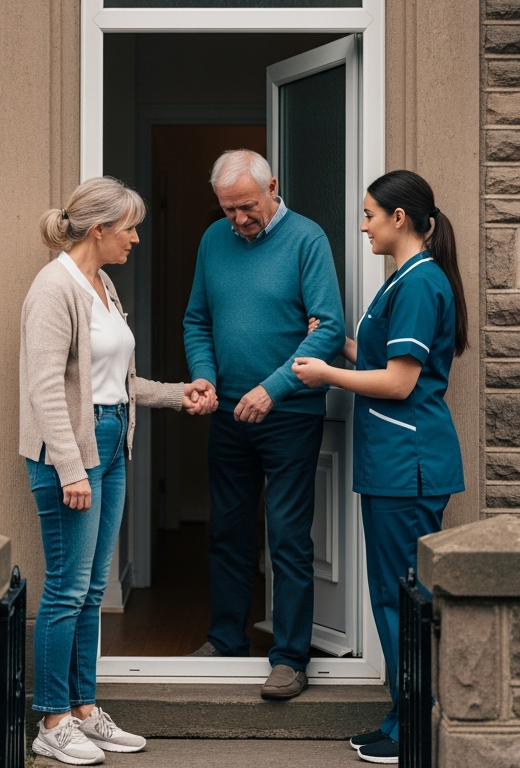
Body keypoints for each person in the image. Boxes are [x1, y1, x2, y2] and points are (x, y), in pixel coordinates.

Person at [20, 176, 218, 765]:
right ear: (100, 229)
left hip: (109, 441)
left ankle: (83, 710)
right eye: (129, 228)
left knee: (90, 589)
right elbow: (46, 388)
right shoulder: (53, 288)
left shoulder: (102, 283)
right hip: (71, 451)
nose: (135, 238)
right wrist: (70, 468)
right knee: (65, 586)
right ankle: (52, 721)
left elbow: (117, 386)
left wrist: (178, 394)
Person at [294, 170, 468, 765]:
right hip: (392, 464)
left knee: (402, 600)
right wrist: (334, 344)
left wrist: (326, 375)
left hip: (407, 465)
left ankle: (412, 726)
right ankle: (401, 713)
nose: (363, 225)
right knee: (396, 596)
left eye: (369, 214)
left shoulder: (420, 285)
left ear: (399, 218)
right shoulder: (404, 281)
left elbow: (398, 382)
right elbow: (378, 358)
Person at [182, 149, 346, 700]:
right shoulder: (212, 240)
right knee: (226, 531)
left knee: (288, 537)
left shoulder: (307, 239)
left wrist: (271, 390)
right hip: (227, 414)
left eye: (247, 207)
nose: (238, 220)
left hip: (290, 415)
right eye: (228, 209)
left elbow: (327, 330)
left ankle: (290, 659)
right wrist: (205, 378)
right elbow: (197, 320)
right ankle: (227, 641)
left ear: (272, 187)